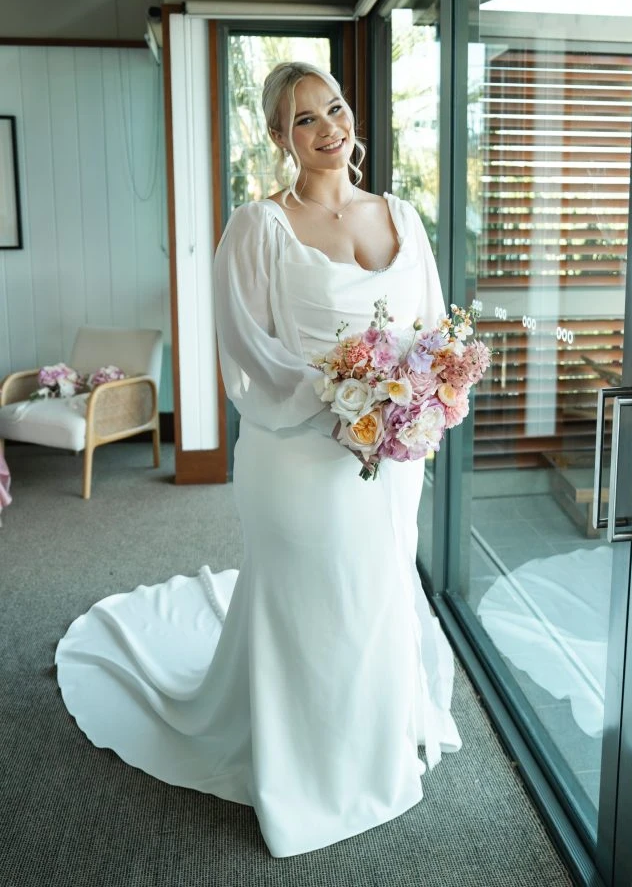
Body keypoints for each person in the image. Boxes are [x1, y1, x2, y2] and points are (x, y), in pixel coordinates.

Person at [55, 62, 461, 859]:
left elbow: (435, 328)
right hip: (300, 455)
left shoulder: (403, 216)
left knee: (377, 591)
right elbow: (245, 349)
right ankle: (305, 769)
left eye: (334, 108)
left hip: (392, 457)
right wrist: (344, 396)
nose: (327, 128)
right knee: (314, 599)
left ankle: (376, 737)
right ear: (280, 138)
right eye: (304, 119)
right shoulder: (259, 225)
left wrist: (415, 399)